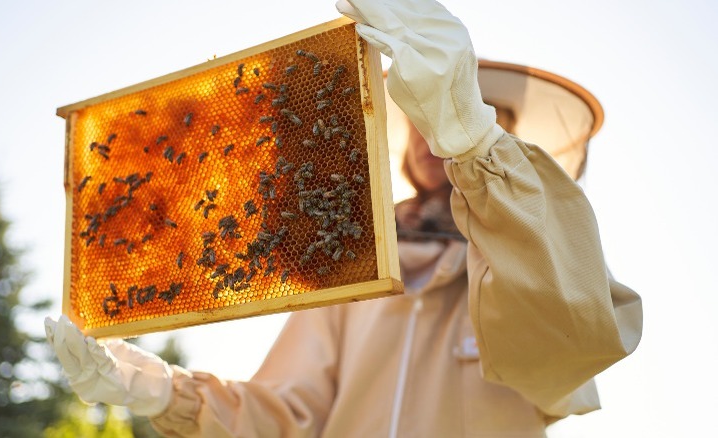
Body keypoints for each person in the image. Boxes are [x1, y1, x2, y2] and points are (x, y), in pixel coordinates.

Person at [45, 0, 643, 436]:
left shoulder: (534, 267)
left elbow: (573, 336)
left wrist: (475, 145)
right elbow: (286, 415)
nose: (433, 140)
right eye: (426, 122)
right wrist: (161, 391)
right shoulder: (351, 275)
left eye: (459, 115)